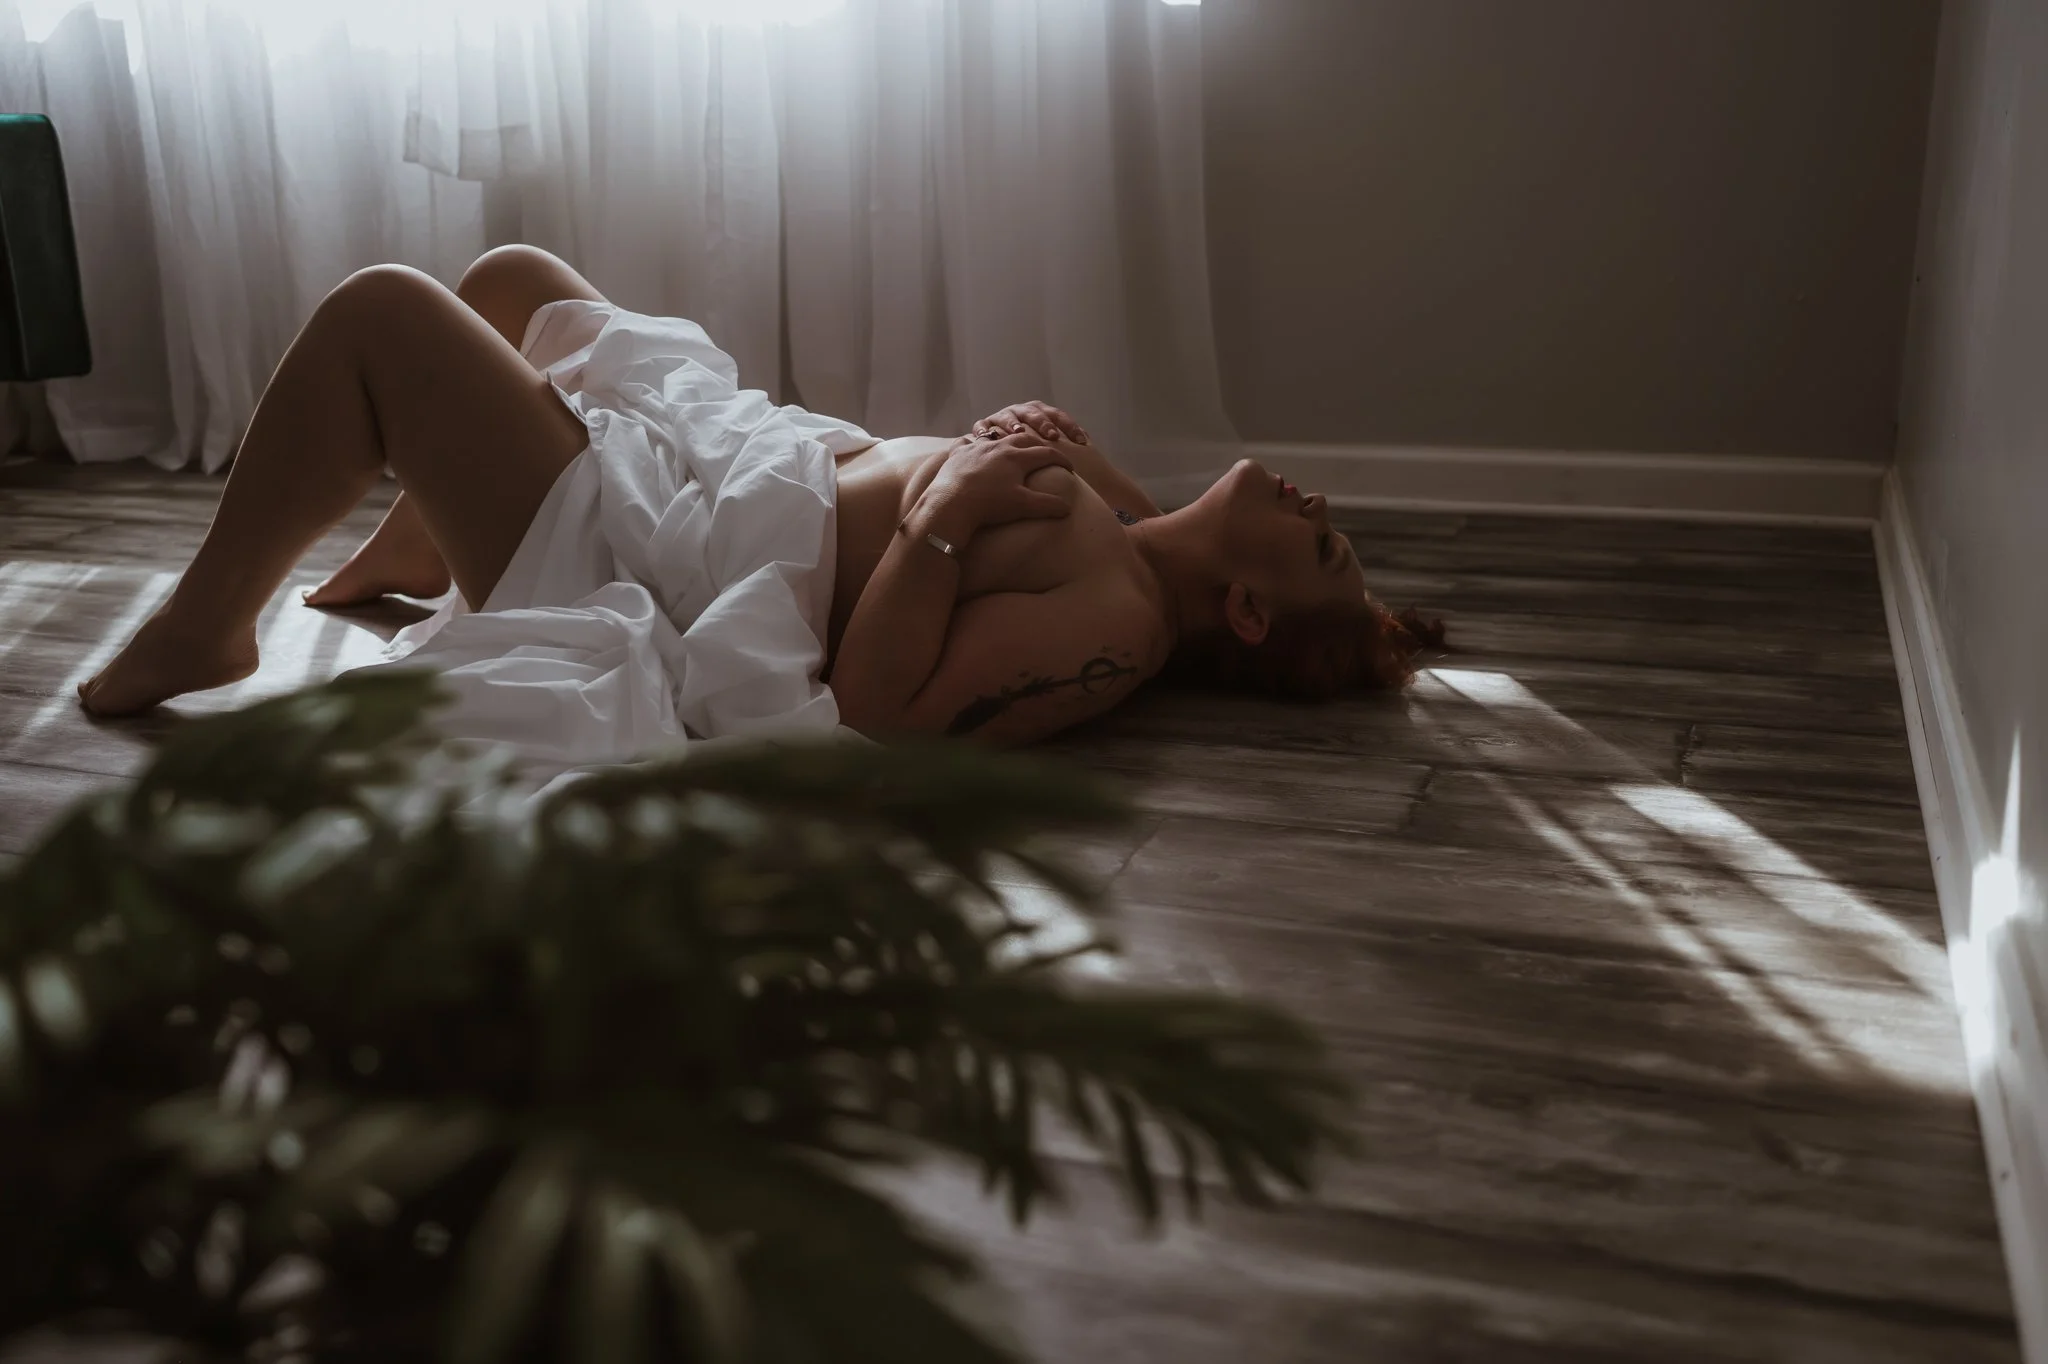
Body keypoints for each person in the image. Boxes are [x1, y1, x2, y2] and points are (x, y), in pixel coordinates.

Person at [78, 246, 1440, 744]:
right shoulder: (1138, 540)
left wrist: (944, 516)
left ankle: (213, 623)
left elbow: (878, 707)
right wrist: (1029, 449)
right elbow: (1109, 502)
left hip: (668, 563)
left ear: (1249, 612)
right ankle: (424, 542)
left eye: (1324, 548)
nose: (1319, 505)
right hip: (736, 465)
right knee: (516, 282)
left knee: (385, 313)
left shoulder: (1122, 626)